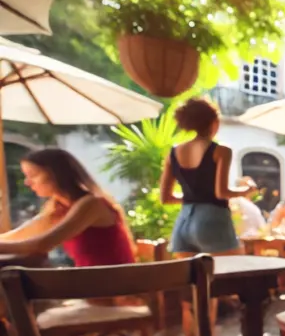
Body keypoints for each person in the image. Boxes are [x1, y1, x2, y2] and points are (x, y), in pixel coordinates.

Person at [0, 148, 135, 266]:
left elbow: (43, 244)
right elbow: (21, 234)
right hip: (93, 282)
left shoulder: (92, 204)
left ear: (56, 174)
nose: (27, 182)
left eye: (33, 175)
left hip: (117, 285)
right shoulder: (58, 206)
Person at [160, 98, 255, 256]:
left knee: (192, 279)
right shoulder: (221, 151)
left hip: (183, 222)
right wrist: (246, 190)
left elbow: (166, 197)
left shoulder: (173, 153)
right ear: (214, 122)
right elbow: (221, 192)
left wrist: (194, 198)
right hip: (212, 220)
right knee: (232, 273)